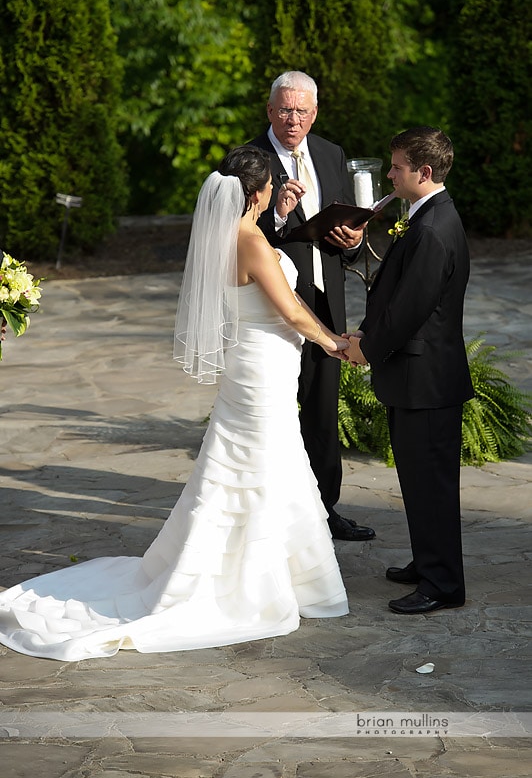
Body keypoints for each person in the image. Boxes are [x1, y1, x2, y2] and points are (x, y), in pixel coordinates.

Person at [0, 145, 350, 661]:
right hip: (263, 367)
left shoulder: (225, 234)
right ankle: (267, 581)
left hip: (247, 365)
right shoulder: (250, 240)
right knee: (265, 463)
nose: (276, 189)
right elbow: (293, 313)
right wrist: (336, 342)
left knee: (249, 464)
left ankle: (272, 572)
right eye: (271, 184)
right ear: (256, 193)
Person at [345, 126, 474, 614]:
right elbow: (395, 296)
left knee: (432, 485)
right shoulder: (422, 217)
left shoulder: (434, 228)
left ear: (424, 172)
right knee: (418, 480)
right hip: (416, 375)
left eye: (397, 165)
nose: (389, 173)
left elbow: (411, 309)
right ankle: (427, 562)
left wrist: (367, 348)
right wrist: (365, 332)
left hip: (427, 379)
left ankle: (442, 585)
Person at [249, 70, 376, 542]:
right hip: (274, 307)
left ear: (315, 112)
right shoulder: (248, 161)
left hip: (328, 301)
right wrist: (278, 214)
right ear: (269, 110)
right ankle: (274, 512)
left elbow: (344, 228)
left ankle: (324, 510)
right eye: (285, 109)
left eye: (302, 110)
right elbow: (235, 238)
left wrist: (354, 238)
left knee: (322, 410)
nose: (293, 119)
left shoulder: (330, 154)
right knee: (280, 408)